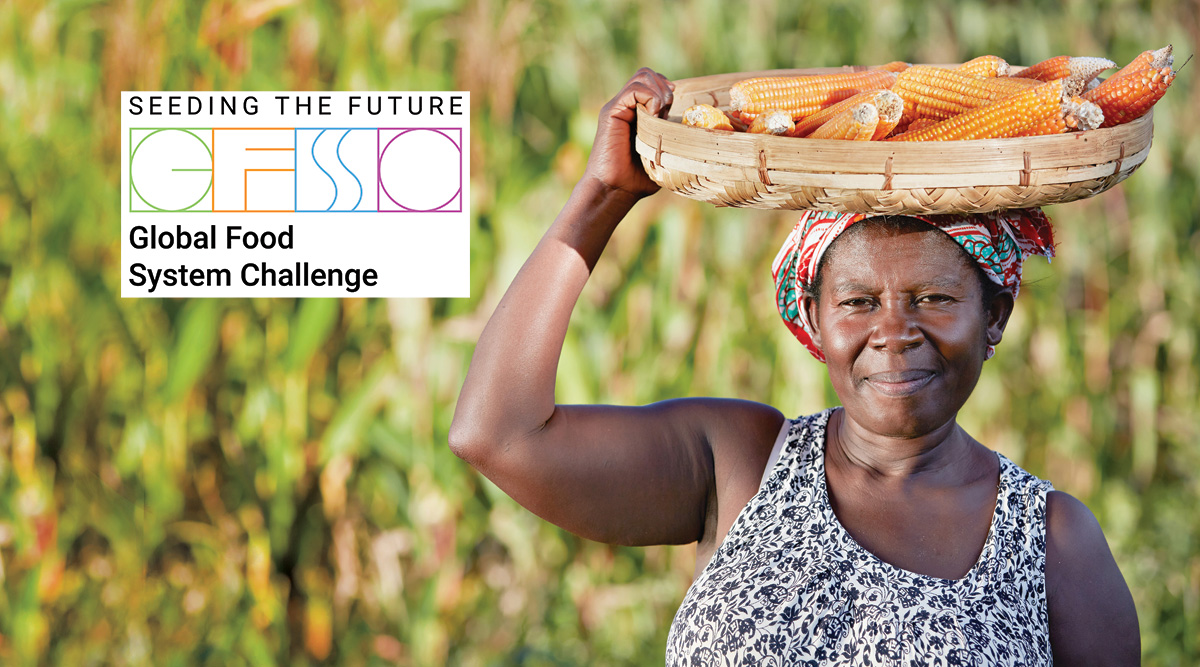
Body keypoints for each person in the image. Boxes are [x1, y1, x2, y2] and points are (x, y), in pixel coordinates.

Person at [448, 68, 1140, 665]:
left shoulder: (1050, 543)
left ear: (995, 317)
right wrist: (604, 195)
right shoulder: (740, 459)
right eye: (859, 301)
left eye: (933, 298)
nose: (893, 332)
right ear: (812, 317)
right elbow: (497, 433)